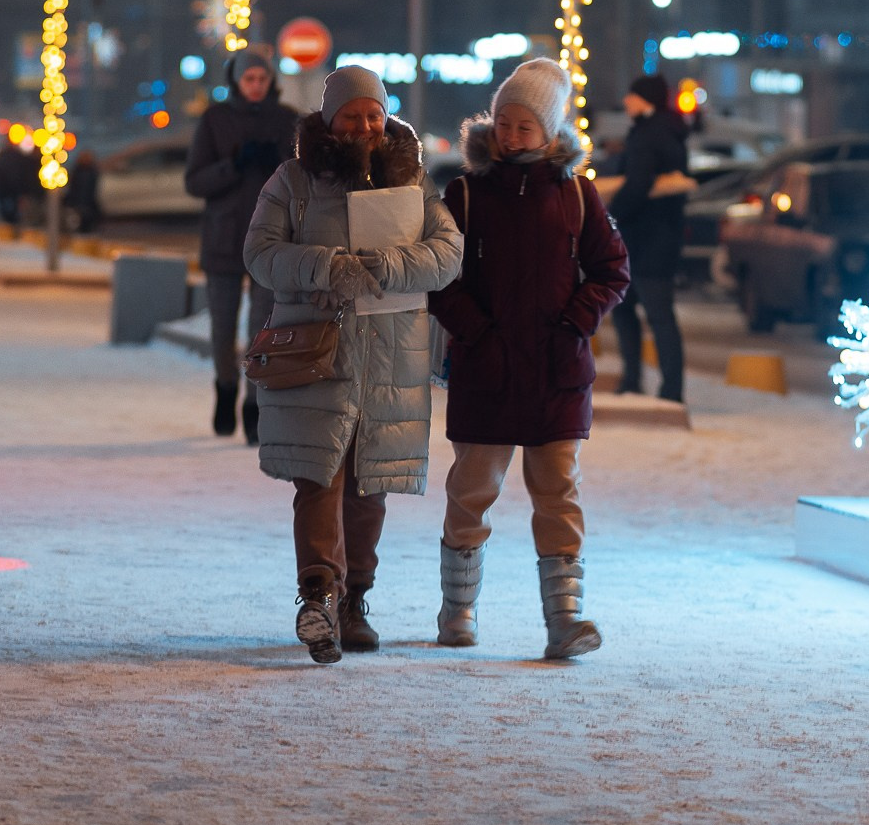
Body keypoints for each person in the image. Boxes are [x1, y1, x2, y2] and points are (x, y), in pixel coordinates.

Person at [244, 66, 459, 665]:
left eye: (373, 114)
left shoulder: (412, 181)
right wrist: (326, 266)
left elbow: (447, 254)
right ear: (329, 120)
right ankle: (317, 595)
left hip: (390, 355)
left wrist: (391, 264)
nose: (363, 125)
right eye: (350, 115)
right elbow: (260, 253)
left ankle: (353, 600)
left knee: (370, 486)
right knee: (319, 477)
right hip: (318, 352)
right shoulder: (293, 180)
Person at [429, 58, 630, 661]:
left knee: (558, 494)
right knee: (471, 492)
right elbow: (442, 279)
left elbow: (611, 269)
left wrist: (575, 322)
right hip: (487, 373)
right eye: (505, 122)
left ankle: (564, 620)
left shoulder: (575, 194)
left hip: (555, 373)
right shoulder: (464, 193)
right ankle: (458, 610)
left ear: (550, 132)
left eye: (525, 126)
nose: (512, 135)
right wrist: (479, 334)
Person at [183, 48, 297, 442]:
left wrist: (276, 162)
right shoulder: (215, 119)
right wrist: (233, 165)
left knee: (262, 328)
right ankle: (225, 387)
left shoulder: (286, 120)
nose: (255, 86)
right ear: (236, 81)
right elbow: (195, 181)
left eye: (261, 79)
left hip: (269, 239)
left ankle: (254, 403)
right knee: (222, 326)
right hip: (223, 239)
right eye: (249, 79)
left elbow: (301, 179)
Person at [605, 73, 691, 406]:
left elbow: (637, 185)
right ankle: (662, 386)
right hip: (661, 238)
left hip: (643, 241)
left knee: (640, 314)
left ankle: (644, 384)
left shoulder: (647, 135)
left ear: (646, 100)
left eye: (632, 95)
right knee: (656, 314)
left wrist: (611, 217)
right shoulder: (670, 132)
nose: (626, 101)